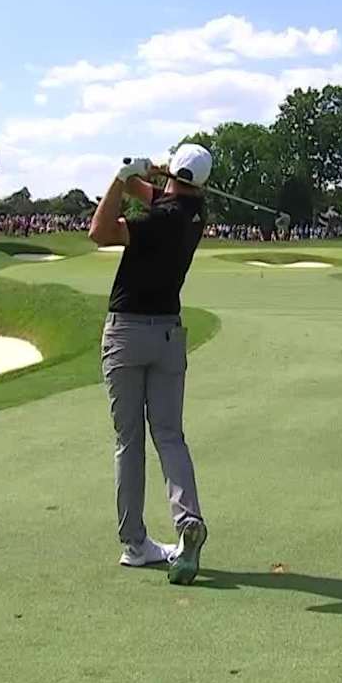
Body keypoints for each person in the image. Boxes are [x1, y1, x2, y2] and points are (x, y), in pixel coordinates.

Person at [88, 145, 213, 585]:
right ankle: (187, 521)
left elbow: (99, 232)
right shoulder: (195, 212)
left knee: (129, 441)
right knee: (169, 434)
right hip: (168, 337)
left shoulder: (157, 220)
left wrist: (120, 178)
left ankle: (136, 543)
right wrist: (149, 175)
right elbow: (160, 195)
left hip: (126, 334)